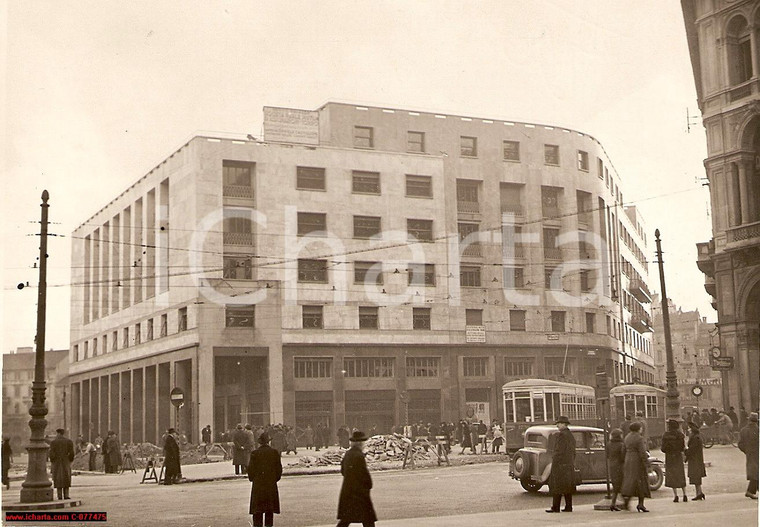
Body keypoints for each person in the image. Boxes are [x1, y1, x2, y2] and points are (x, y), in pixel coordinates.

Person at [336, 431, 377, 527]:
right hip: (359, 493)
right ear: (360, 443)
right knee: (368, 518)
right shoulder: (359, 456)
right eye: (363, 442)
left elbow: (343, 471)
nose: (365, 444)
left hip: (348, 491)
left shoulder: (348, 454)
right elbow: (364, 474)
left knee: (346, 519)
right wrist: (368, 485)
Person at [248, 432, 283, 527]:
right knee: (269, 510)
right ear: (268, 442)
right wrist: (274, 479)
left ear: (259, 442)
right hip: (270, 485)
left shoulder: (255, 453)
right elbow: (279, 470)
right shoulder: (274, 452)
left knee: (257, 511)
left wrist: (253, 479)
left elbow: (250, 470)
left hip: (258, 486)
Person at [546, 416, 576, 513]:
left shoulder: (561, 435)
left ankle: (555, 507)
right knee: (567, 486)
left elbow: (559, 451)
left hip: (560, 464)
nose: (557, 425)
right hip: (568, 463)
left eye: (559, 423)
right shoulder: (570, 435)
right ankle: (568, 506)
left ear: (563, 424)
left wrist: (555, 459)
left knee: (557, 486)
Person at [620, 421, 650, 512]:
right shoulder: (639, 438)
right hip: (637, 462)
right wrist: (646, 463)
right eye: (640, 428)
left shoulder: (627, 437)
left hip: (628, 460)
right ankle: (641, 504)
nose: (641, 429)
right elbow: (642, 452)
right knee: (641, 482)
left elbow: (623, 451)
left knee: (630, 482)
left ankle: (626, 501)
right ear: (638, 429)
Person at [661, 419, 688, 502]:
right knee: (680, 475)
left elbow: (663, 449)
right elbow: (682, 447)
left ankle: (676, 496)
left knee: (672, 476)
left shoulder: (666, 435)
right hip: (678, 457)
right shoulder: (680, 435)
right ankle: (685, 495)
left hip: (670, 457)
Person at [49, 428, 75, 500]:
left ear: (58, 433)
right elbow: (72, 453)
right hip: (66, 461)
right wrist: (69, 460)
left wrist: (53, 460)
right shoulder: (69, 441)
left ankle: (59, 495)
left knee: (58, 478)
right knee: (66, 477)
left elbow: (51, 454)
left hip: (57, 462)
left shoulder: (53, 442)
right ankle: (66, 495)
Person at [738, 412, 758, 499]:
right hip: (757, 453)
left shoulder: (743, 430)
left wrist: (746, 451)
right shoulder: (757, 430)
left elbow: (740, 444)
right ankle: (750, 491)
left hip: (750, 454)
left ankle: (752, 490)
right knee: (756, 473)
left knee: (754, 471)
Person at [685, 422, 707, 500]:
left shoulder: (695, 438)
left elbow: (692, 450)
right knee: (696, 478)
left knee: (696, 478)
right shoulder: (696, 437)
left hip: (695, 460)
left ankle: (699, 493)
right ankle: (699, 493)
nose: (688, 430)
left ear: (692, 429)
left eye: (689, 428)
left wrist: (685, 451)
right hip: (696, 460)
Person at [606, 428, 625, 511]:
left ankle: (613, 503)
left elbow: (607, 455)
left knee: (615, 486)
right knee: (622, 485)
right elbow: (622, 456)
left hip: (612, 466)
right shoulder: (621, 444)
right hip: (620, 466)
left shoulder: (609, 444)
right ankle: (624, 503)